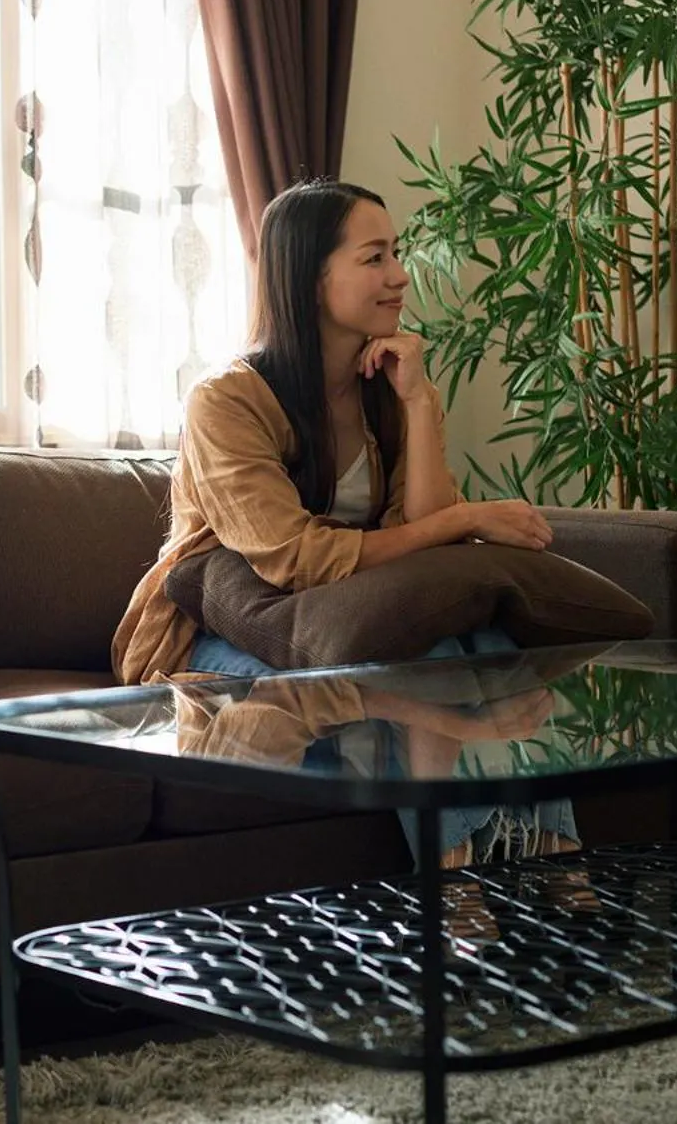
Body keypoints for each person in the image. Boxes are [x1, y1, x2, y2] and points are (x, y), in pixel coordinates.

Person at [111, 178, 578, 867]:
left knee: (489, 638)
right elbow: (296, 558)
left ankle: (561, 869)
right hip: (228, 628)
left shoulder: (386, 385)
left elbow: (424, 528)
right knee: (433, 659)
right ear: (311, 275)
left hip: (354, 621)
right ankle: (458, 884)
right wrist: (470, 517)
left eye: (397, 253)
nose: (399, 276)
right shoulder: (226, 400)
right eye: (375, 257)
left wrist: (419, 403)